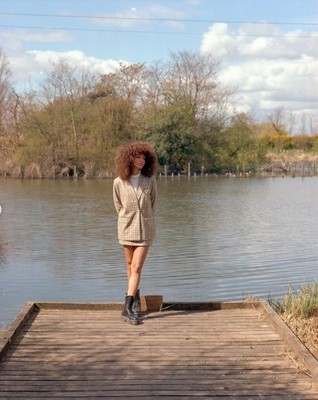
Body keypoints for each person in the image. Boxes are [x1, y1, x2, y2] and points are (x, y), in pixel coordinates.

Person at [113, 142, 157, 325]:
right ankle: (136, 300)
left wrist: (145, 219)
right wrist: (128, 219)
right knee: (130, 265)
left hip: (145, 228)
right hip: (126, 228)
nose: (141, 160)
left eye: (144, 158)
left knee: (137, 267)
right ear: (129, 159)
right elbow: (118, 206)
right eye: (138, 157)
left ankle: (127, 307)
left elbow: (153, 203)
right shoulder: (118, 182)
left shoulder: (150, 180)